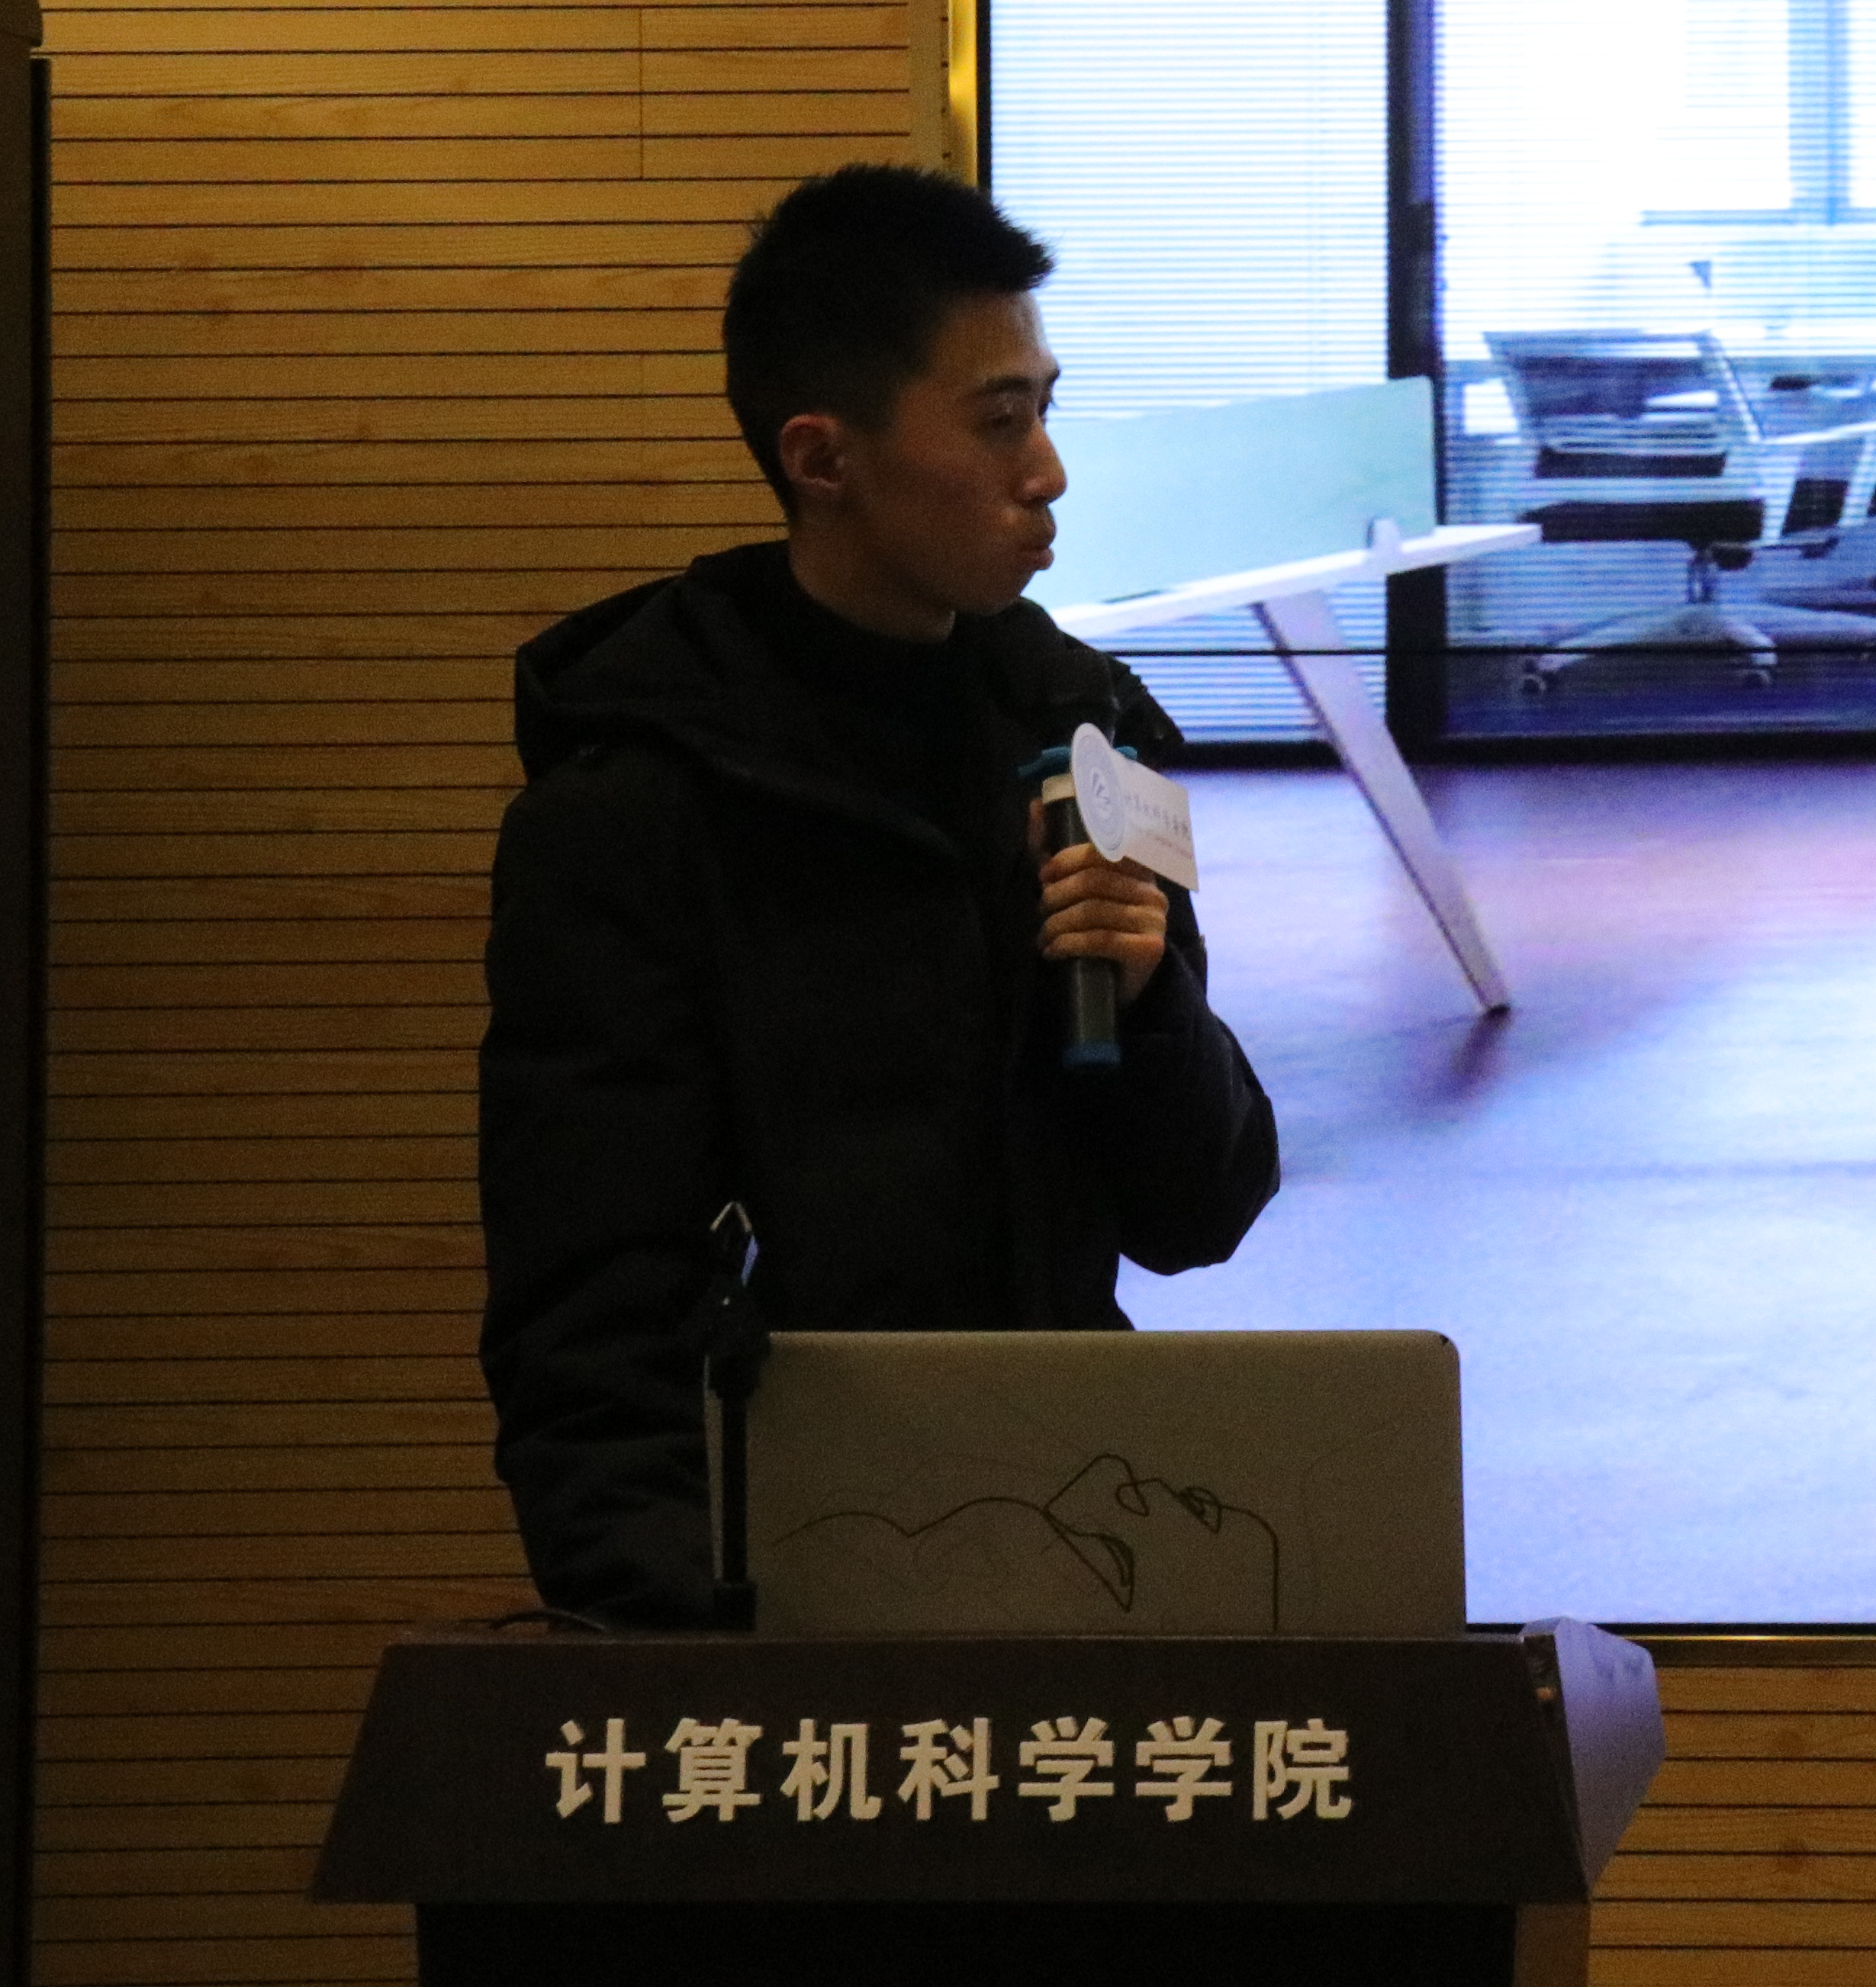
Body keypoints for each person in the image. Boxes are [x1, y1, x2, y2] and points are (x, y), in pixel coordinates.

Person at [475, 165, 1279, 1626]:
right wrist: (678, 1641)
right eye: (999, 421)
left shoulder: (1079, 744)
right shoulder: (634, 808)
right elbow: (590, 1308)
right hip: (786, 1565)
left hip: (1066, 1528)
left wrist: (1151, 999)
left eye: (1046, 408)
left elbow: (1198, 1210)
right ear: (823, 458)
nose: (1048, 471)